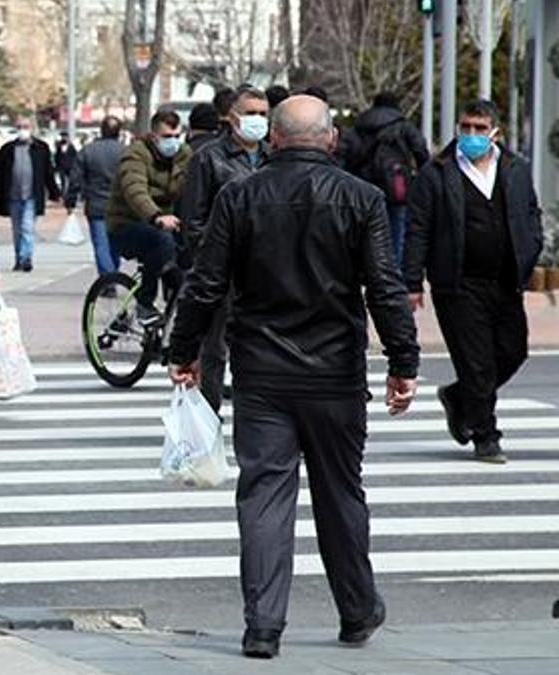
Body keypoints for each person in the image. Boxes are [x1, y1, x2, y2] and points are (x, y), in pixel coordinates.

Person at [168, 95, 420, 659]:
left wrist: (185, 350)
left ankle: (262, 626)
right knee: (341, 493)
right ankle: (357, 610)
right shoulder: (363, 199)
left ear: (273, 139)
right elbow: (384, 285)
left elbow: (205, 284)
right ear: (331, 140)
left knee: (262, 496)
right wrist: (403, 362)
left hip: (261, 373)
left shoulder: (240, 196)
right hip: (335, 372)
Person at [404, 100, 543, 464]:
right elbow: (418, 229)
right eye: (465, 127)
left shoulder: (515, 169)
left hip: (505, 281)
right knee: (476, 362)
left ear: (495, 132)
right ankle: (486, 434)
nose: (471, 135)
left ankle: (460, 398)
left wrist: (530, 251)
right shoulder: (436, 173)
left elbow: (530, 213)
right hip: (458, 283)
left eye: (479, 129)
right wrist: (412, 281)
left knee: (513, 351)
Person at [177, 86, 270, 412]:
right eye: (250, 113)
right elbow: (194, 221)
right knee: (214, 351)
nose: (257, 120)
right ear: (232, 118)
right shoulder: (208, 158)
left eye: (263, 114)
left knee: (262, 349)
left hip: (266, 272)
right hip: (223, 272)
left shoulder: (274, 157)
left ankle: (261, 418)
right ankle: (208, 421)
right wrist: (216, 261)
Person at [104, 108, 190, 324]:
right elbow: (135, 190)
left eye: (176, 136)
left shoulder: (184, 155)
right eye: (166, 137)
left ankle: (171, 326)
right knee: (161, 241)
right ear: (153, 136)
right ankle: (144, 303)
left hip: (167, 223)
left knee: (185, 270)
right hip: (128, 224)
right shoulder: (136, 155)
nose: (173, 142)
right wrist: (156, 216)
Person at [343, 92, 430, 267]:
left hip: (363, 183)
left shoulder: (360, 126)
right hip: (396, 185)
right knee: (397, 228)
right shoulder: (403, 126)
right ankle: (392, 270)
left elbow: (347, 153)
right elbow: (420, 150)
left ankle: (365, 267)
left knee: (365, 228)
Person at [0, 116, 61, 272]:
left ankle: (26, 257)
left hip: (32, 195)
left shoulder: (40, 148)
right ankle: (19, 258)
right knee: (17, 229)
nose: (23, 129)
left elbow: (48, 172)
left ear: (31, 128)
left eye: (26, 126)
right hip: (13, 195)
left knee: (27, 227)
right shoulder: (8, 149)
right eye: (20, 126)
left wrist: (55, 192)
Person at [65, 115, 126, 278]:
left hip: (96, 204)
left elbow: (75, 179)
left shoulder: (88, 151)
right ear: (119, 132)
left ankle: (108, 277)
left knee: (101, 244)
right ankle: (113, 273)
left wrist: (70, 200)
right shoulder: (127, 152)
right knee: (116, 244)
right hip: (121, 206)